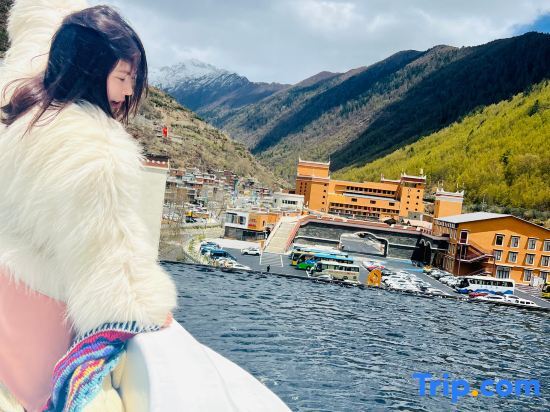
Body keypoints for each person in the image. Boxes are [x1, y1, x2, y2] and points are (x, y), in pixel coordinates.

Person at [0, 1, 176, 411]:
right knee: (44, 397)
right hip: (41, 306)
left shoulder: (26, 106)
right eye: (122, 78)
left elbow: (40, 29)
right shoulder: (97, 152)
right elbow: (109, 258)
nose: (129, 92)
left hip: (7, 284)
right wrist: (147, 307)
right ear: (90, 70)